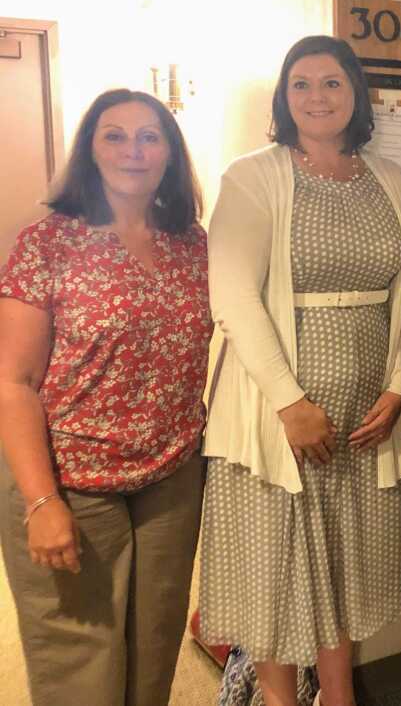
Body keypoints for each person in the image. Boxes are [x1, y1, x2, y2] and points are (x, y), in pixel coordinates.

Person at [199, 35, 401, 706]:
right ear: (283, 97)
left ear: (356, 93)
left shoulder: (392, 179)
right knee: (280, 563)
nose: (316, 97)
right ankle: (278, 700)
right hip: (277, 410)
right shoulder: (253, 174)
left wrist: (400, 385)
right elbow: (232, 293)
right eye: (301, 84)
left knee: (342, 565)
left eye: (331, 82)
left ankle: (340, 695)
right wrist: (290, 403)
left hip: (366, 411)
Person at [0, 89, 210, 706]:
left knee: (154, 651)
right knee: (81, 668)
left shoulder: (190, 242)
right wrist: (41, 501)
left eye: (150, 136)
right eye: (114, 135)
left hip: (170, 477)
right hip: (72, 480)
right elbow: (13, 382)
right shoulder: (46, 243)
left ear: (170, 153)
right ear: (90, 149)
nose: (133, 150)